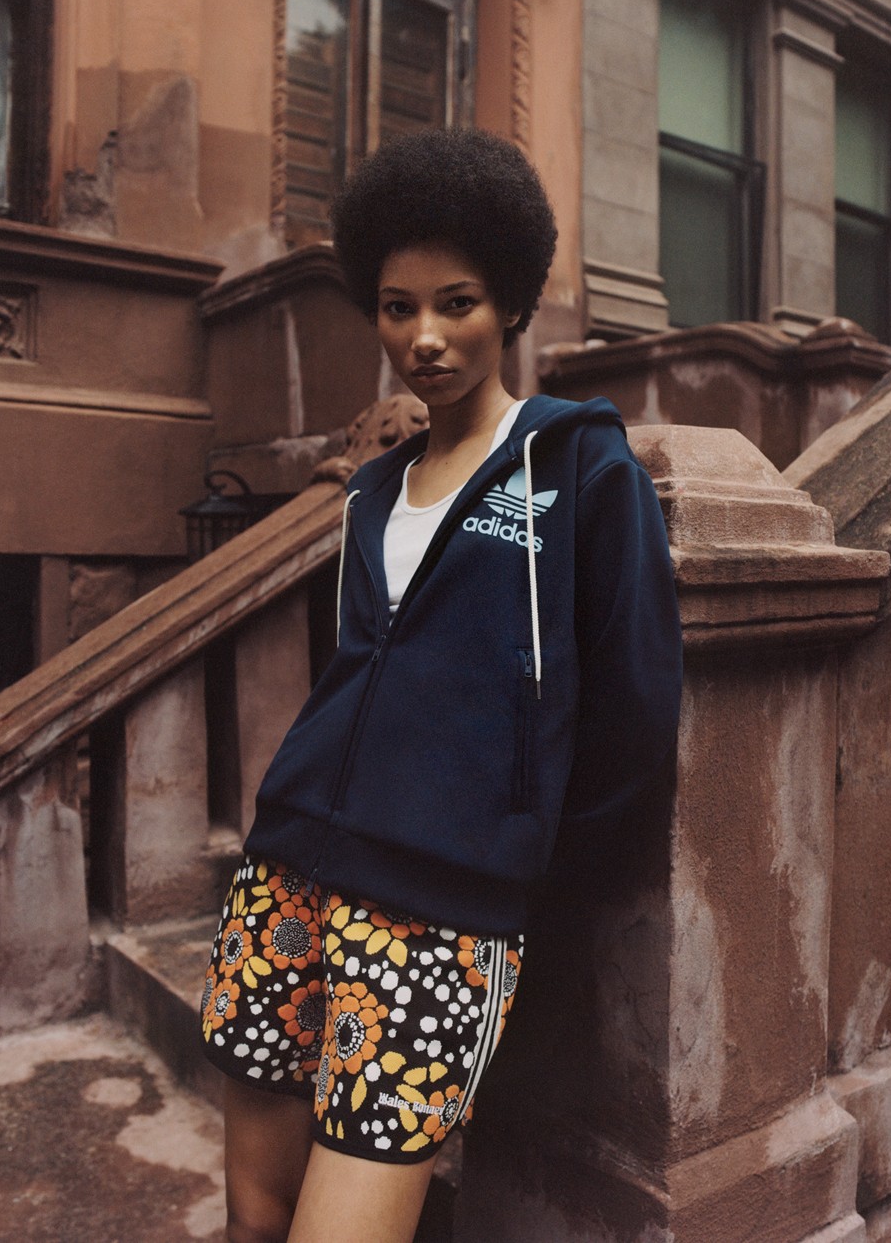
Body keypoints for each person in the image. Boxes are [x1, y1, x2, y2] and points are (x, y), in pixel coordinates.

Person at [199, 127, 682, 1243]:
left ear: (508, 302)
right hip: (286, 874)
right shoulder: (372, 491)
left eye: (455, 303)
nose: (423, 336)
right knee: (254, 1215)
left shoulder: (580, 468)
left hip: (436, 916)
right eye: (396, 307)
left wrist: (515, 860)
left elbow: (636, 711)